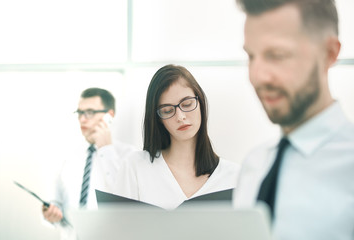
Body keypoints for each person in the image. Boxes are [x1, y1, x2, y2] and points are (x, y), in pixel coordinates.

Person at [233, 0, 354, 239]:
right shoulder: (254, 165)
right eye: (251, 56)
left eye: (276, 55)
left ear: (329, 54)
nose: (257, 76)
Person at [109, 64, 240, 210]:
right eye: (167, 110)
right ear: (158, 118)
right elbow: (118, 229)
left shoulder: (234, 176)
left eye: (187, 103)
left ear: (200, 102)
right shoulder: (135, 167)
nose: (180, 117)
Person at [42, 87, 136, 239]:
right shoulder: (66, 156)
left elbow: (126, 201)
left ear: (109, 116)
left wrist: (106, 150)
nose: (82, 119)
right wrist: (50, 213)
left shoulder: (130, 156)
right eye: (80, 113)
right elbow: (54, 201)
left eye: (90, 112)